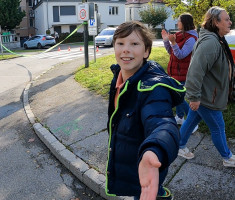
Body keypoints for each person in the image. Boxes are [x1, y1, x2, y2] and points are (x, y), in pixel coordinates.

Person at [105, 21, 186, 200]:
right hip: (130, 166)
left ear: (146, 51)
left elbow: (163, 123)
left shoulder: (153, 88)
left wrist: (155, 150)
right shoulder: (118, 75)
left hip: (147, 171)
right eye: (120, 43)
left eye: (134, 44)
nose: (126, 49)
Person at [178, 6, 235, 167]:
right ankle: (227, 157)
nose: (230, 22)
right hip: (207, 96)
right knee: (218, 126)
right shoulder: (210, 43)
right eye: (226, 19)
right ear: (216, 22)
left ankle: (179, 146)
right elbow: (195, 71)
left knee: (192, 119)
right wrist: (195, 97)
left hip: (208, 93)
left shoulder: (216, 39)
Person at [161, 13, 198, 131]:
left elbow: (181, 55)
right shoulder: (178, 35)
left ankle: (193, 123)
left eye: (179, 21)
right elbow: (171, 52)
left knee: (178, 97)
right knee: (177, 95)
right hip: (174, 71)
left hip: (183, 73)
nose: (177, 23)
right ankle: (180, 117)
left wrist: (173, 43)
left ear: (185, 23)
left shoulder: (192, 38)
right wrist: (166, 41)